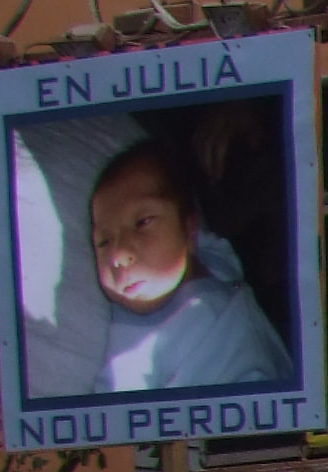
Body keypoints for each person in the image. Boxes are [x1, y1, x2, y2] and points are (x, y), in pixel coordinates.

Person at [78, 136, 292, 395]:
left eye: (142, 222)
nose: (118, 255)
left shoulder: (213, 259)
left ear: (190, 230)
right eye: (104, 241)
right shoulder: (134, 341)